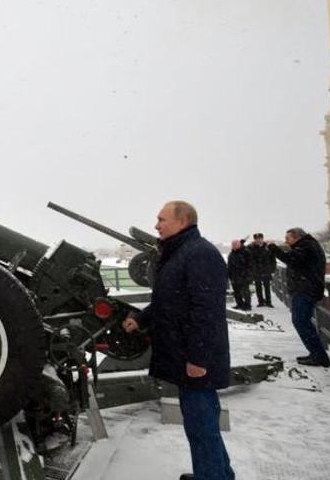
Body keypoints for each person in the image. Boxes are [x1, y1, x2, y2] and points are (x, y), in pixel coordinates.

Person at [123, 201, 234, 480]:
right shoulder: (181, 253)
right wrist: (142, 319)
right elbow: (168, 301)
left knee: (201, 426)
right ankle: (220, 475)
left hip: (195, 359)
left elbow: (206, 312)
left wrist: (198, 359)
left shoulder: (199, 255)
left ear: (182, 222)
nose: (156, 225)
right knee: (202, 423)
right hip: (185, 354)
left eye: (161, 219)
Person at [267, 228, 330, 367]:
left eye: (288, 238)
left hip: (305, 290)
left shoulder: (306, 247)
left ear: (296, 237)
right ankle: (316, 354)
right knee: (302, 321)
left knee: (301, 321)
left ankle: (319, 356)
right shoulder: (307, 245)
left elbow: (291, 259)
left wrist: (273, 248)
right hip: (306, 289)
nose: (286, 241)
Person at [247, 233, 276, 308]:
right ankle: (260, 302)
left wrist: (273, 269)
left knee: (267, 287)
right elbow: (248, 258)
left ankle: (269, 302)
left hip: (266, 269)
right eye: (256, 239)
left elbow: (273, 259)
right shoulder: (251, 248)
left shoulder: (267, 247)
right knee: (258, 287)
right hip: (256, 270)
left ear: (262, 239)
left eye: (260, 238)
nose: (258, 240)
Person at [227, 239, 252, 310]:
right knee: (236, 292)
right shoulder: (231, 254)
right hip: (234, 276)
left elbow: (250, 264)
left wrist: (247, 273)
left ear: (239, 245)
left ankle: (247, 305)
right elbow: (229, 266)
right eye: (233, 245)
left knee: (245, 291)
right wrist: (230, 275)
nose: (234, 246)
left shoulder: (246, 252)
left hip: (244, 275)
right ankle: (239, 304)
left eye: (235, 245)